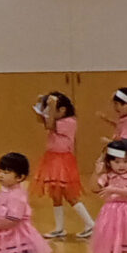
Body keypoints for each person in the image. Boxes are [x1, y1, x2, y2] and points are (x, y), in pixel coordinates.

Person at [33, 93, 90, 237]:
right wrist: (40, 104)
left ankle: (90, 223)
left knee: (69, 195)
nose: (49, 113)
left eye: (53, 110)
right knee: (56, 195)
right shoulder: (58, 119)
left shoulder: (69, 121)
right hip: (52, 159)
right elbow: (42, 120)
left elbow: (49, 124)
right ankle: (59, 228)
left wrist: (52, 106)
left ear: (62, 110)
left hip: (62, 160)